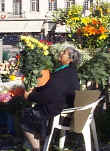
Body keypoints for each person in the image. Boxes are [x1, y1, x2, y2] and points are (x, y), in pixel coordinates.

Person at [20, 47, 81, 151]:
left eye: (64, 52)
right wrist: (35, 90)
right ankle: (39, 140)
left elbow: (49, 95)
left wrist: (30, 96)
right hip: (62, 104)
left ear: (70, 59)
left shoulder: (64, 74)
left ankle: (36, 148)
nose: (61, 53)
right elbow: (50, 89)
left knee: (26, 117)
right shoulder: (69, 71)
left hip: (57, 107)